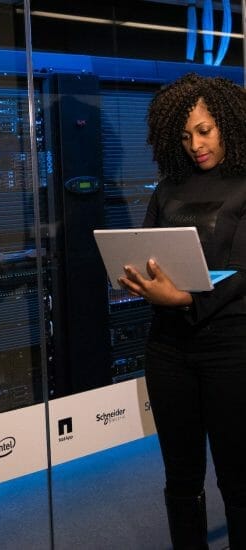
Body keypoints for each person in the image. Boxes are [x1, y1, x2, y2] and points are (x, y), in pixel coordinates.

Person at [118, 73, 246, 549]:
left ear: (228, 125)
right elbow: (144, 247)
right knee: (181, 479)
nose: (196, 144)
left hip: (232, 348)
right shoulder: (167, 189)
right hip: (169, 349)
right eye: (186, 134)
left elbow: (242, 270)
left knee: (238, 479)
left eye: (205, 130)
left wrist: (189, 298)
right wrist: (138, 279)